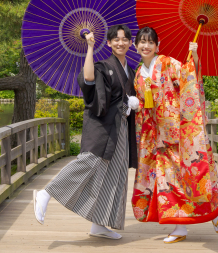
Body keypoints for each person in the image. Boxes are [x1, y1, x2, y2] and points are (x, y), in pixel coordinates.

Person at [33, 24, 140, 239]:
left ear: (130, 43)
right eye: (116, 39)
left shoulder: (130, 69)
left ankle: (99, 224)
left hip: (121, 127)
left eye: (125, 39)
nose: (121, 42)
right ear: (108, 43)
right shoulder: (102, 65)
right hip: (102, 125)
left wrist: (131, 103)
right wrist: (90, 48)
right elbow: (89, 80)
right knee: (89, 161)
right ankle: (46, 193)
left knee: (115, 174)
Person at [130, 26, 218, 244]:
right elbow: (143, 104)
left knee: (188, 177)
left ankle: (214, 207)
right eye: (142, 42)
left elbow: (189, 78)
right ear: (136, 46)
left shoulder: (167, 63)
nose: (146, 46)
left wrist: (196, 56)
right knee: (167, 180)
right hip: (154, 135)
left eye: (150, 42)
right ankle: (180, 225)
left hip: (175, 132)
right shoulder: (138, 74)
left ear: (157, 45)